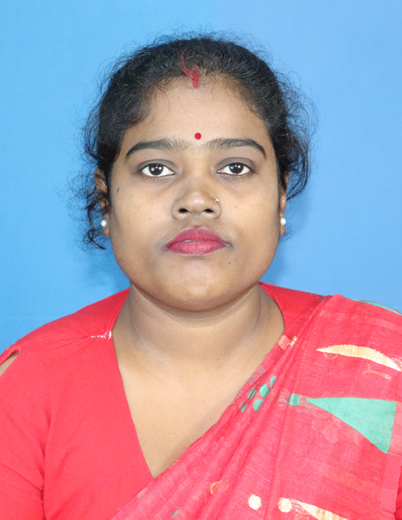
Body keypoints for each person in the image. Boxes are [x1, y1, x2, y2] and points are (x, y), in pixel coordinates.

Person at [0, 34, 401, 520]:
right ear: (106, 200)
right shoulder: (28, 389)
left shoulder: (380, 368)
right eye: (155, 168)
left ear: (280, 196)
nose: (196, 199)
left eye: (235, 167)